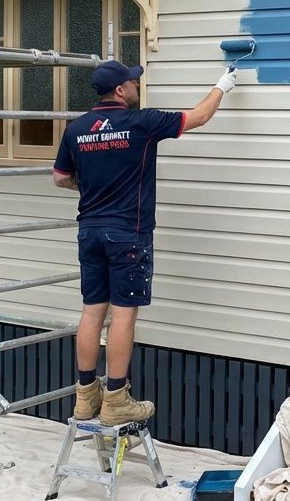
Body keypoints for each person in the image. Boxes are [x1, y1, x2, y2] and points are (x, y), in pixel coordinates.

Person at [53, 59, 237, 425]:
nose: (138, 85)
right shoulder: (140, 122)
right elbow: (198, 117)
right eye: (133, 82)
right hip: (127, 236)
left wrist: (90, 185)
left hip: (89, 232)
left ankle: (85, 396)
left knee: (92, 311)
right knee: (122, 314)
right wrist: (222, 86)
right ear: (121, 91)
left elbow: (60, 178)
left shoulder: (77, 128)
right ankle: (117, 398)